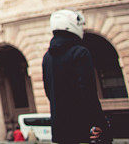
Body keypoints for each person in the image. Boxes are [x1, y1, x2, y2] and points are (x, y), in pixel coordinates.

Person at [42, 10, 108, 144]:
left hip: (60, 128)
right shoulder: (80, 53)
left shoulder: (47, 57)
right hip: (84, 127)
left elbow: (48, 92)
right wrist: (99, 123)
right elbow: (88, 92)